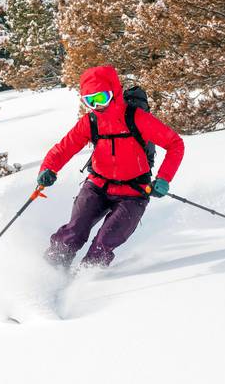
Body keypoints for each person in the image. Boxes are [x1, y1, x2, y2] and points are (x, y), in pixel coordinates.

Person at [37, 65, 185, 269]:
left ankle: (87, 279)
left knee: (104, 242)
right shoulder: (90, 122)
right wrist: (48, 168)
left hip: (133, 193)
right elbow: (64, 148)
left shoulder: (137, 118)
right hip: (97, 187)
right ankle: (49, 269)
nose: (97, 106)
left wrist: (163, 179)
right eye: (90, 101)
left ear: (114, 93)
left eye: (102, 98)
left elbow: (175, 143)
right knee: (74, 232)